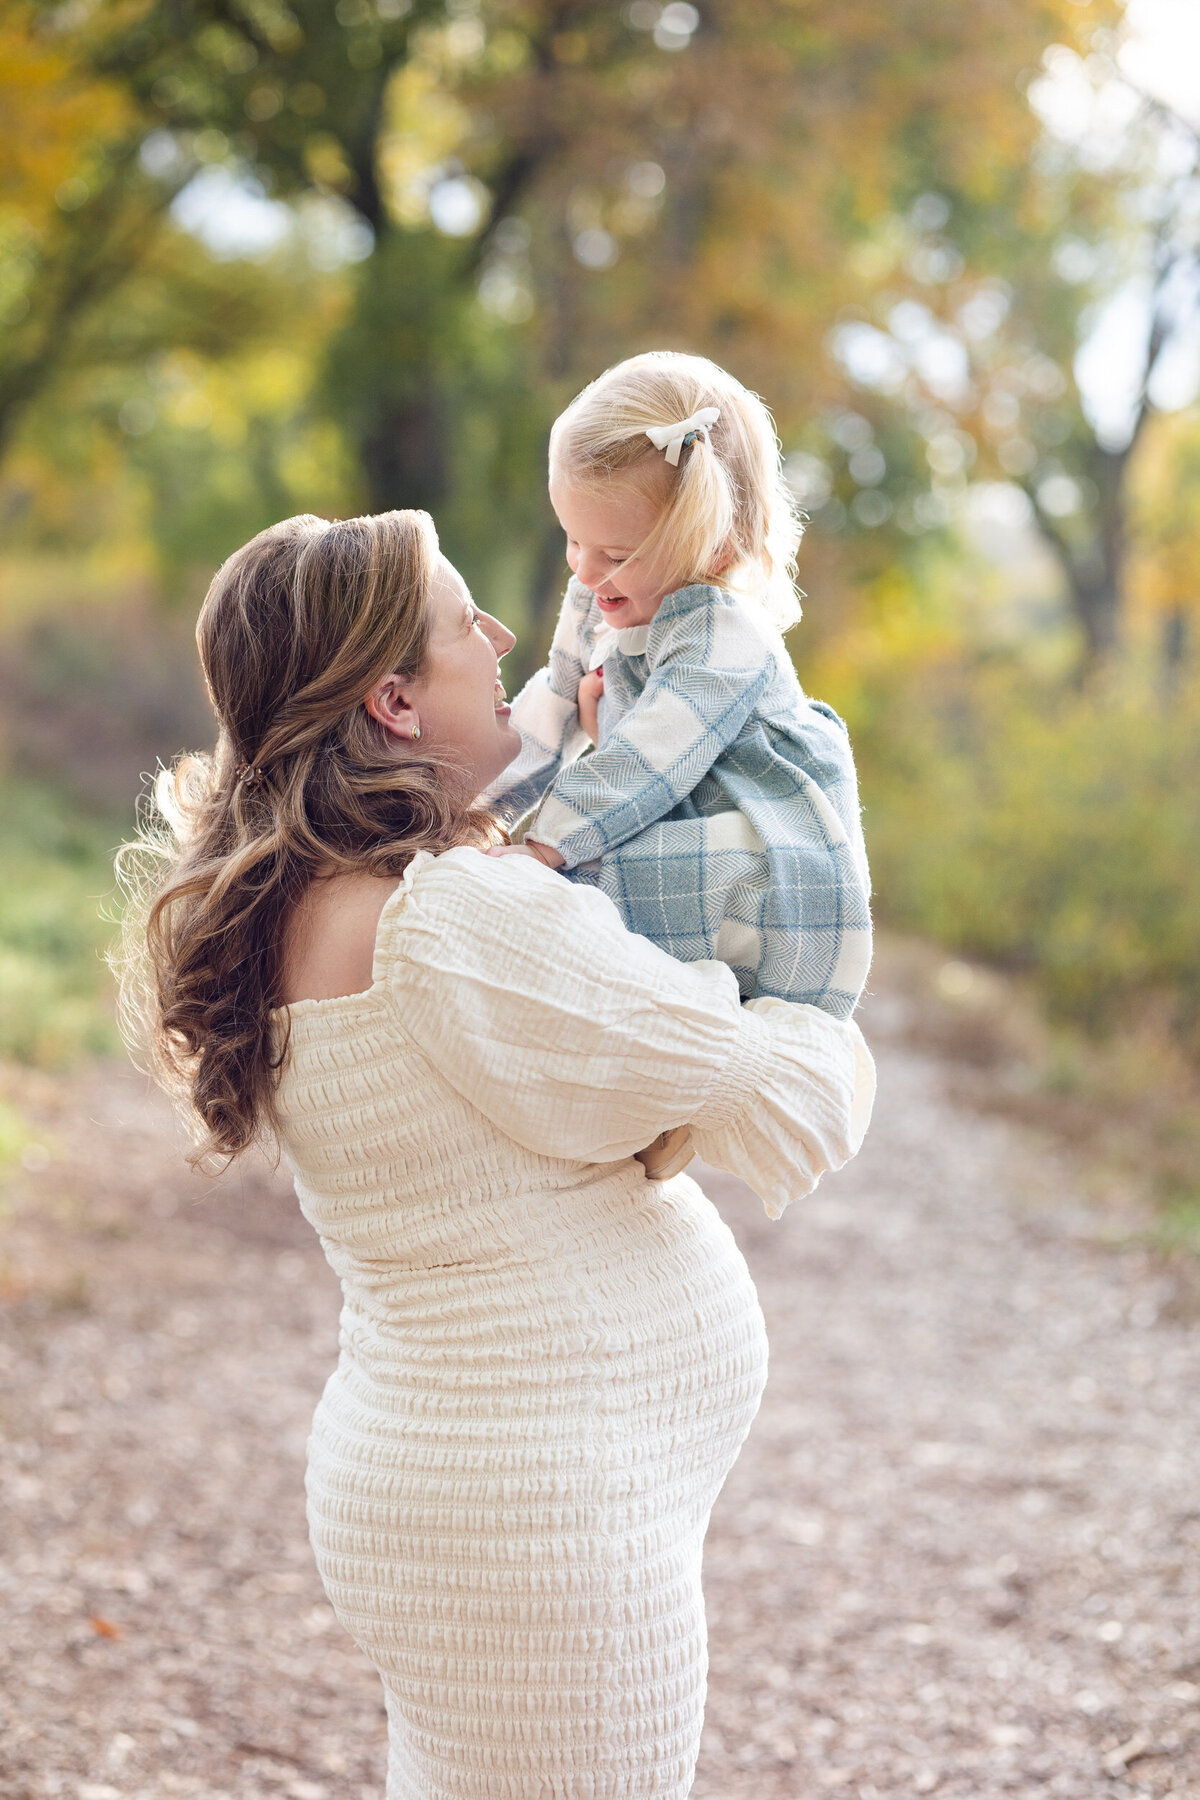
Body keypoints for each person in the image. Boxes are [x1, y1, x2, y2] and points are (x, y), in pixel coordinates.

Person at [114, 508, 875, 1800]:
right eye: (467, 620)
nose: (504, 637)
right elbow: (788, 1095)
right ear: (395, 701)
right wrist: (814, 946)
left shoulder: (313, 898)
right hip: (537, 1525)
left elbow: (541, 1086)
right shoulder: (447, 920)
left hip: (469, 1502)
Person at [486, 350, 873, 1178]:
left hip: (771, 866)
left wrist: (543, 845)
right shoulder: (603, 590)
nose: (584, 573)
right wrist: (460, 806)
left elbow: (653, 758)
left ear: (714, 536)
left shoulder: (723, 631)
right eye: (571, 540)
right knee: (566, 892)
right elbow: (550, 706)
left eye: (614, 552)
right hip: (674, 837)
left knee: (568, 899)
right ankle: (655, 1104)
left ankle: (655, 1085)